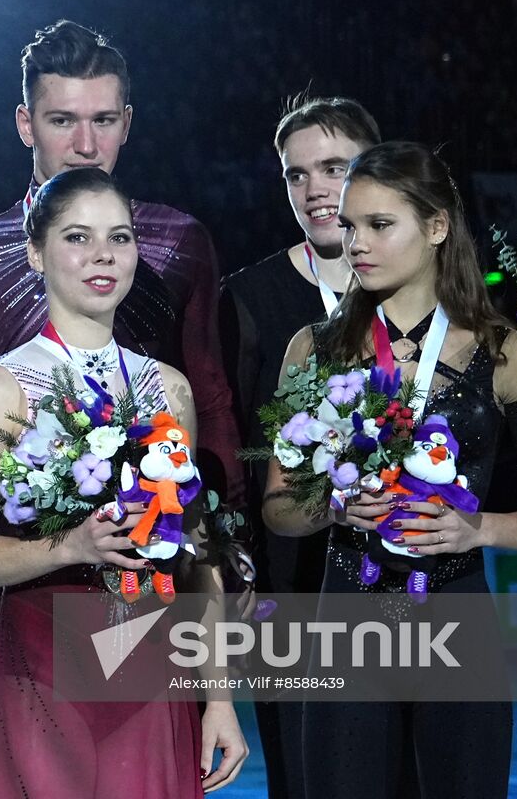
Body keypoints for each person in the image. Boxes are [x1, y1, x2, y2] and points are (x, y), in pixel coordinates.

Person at [262, 142, 517, 798]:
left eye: (379, 225)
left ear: (435, 227)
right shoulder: (312, 349)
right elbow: (279, 508)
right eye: (349, 225)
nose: (356, 242)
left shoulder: (505, 352)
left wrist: (479, 529)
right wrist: (333, 508)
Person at [0, 168, 247, 797]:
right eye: (78, 237)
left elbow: (195, 557)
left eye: (120, 237)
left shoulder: (169, 388)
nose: (103, 255)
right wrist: (71, 546)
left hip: (153, 660)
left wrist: (219, 698)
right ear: (36, 252)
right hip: (46, 657)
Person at [0, 20, 241, 506]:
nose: (86, 146)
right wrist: (24, 478)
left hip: (160, 549)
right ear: (26, 125)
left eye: (104, 121)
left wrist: (225, 535)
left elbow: (212, 402)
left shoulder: (178, 243)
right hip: (28, 559)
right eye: (63, 120)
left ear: (127, 124)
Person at [220, 95, 381, 798]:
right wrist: (233, 565)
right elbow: (227, 444)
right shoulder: (248, 297)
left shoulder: (419, 294)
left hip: (404, 571)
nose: (314, 189)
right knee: (303, 777)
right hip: (287, 579)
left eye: (333, 167)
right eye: (295, 175)